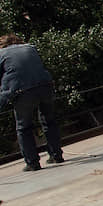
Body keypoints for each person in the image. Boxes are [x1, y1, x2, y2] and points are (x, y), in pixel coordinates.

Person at [0, 34, 65, 172]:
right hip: (45, 86)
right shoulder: (31, 48)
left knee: (23, 128)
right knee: (49, 121)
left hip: (23, 91)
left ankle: (32, 162)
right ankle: (56, 155)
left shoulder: (1, 54)